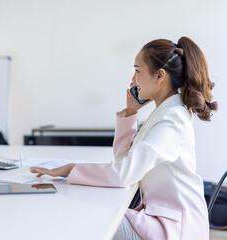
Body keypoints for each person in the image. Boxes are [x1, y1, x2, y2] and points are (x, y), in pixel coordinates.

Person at [31, 36, 218, 240]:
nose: (133, 79)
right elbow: (124, 163)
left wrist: (71, 169)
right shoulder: (165, 113)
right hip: (161, 220)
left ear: (160, 76)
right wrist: (130, 113)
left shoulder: (171, 121)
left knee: (88, 215)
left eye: (137, 70)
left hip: (174, 229)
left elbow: (123, 175)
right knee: (90, 212)